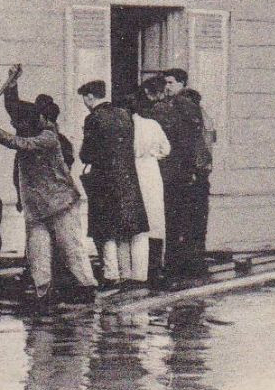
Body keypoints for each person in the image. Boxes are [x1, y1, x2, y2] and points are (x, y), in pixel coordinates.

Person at [0, 95, 96, 305]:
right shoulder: (30, 132)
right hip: (36, 207)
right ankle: (43, 292)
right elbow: (14, 110)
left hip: (61, 204)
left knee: (71, 249)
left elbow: (17, 143)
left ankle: (86, 288)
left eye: (19, 123)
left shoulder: (48, 138)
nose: (16, 127)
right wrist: (12, 85)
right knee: (37, 253)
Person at [76, 80, 147, 285]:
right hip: (127, 179)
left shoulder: (93, 119)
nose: (85, 102)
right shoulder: (124, 115)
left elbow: (87, 154)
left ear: (90, 97)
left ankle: (110, 273)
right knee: (124, 228)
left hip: (104, 180)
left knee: (104, 229)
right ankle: (126, 273)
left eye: (84, 98)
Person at [159, 67, 213, 275]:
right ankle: (194, 262)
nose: (167, 87)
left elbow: (186, 142)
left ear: (182, 83)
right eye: (165, 83)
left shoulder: (180, 105)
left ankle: (180, 264)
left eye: (171, 83)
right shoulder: (197, 109)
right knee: (194, 220)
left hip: (185, 173)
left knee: (179, 219)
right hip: (197, 172)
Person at [129, 78, 172, 286]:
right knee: (155, 219)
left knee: (138, 221)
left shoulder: (130, 125)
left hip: (134, 170)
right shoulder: (154, 125)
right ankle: (155, 269)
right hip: (152, 171)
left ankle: (137, 271)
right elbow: (166, 149)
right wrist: (154, 154)